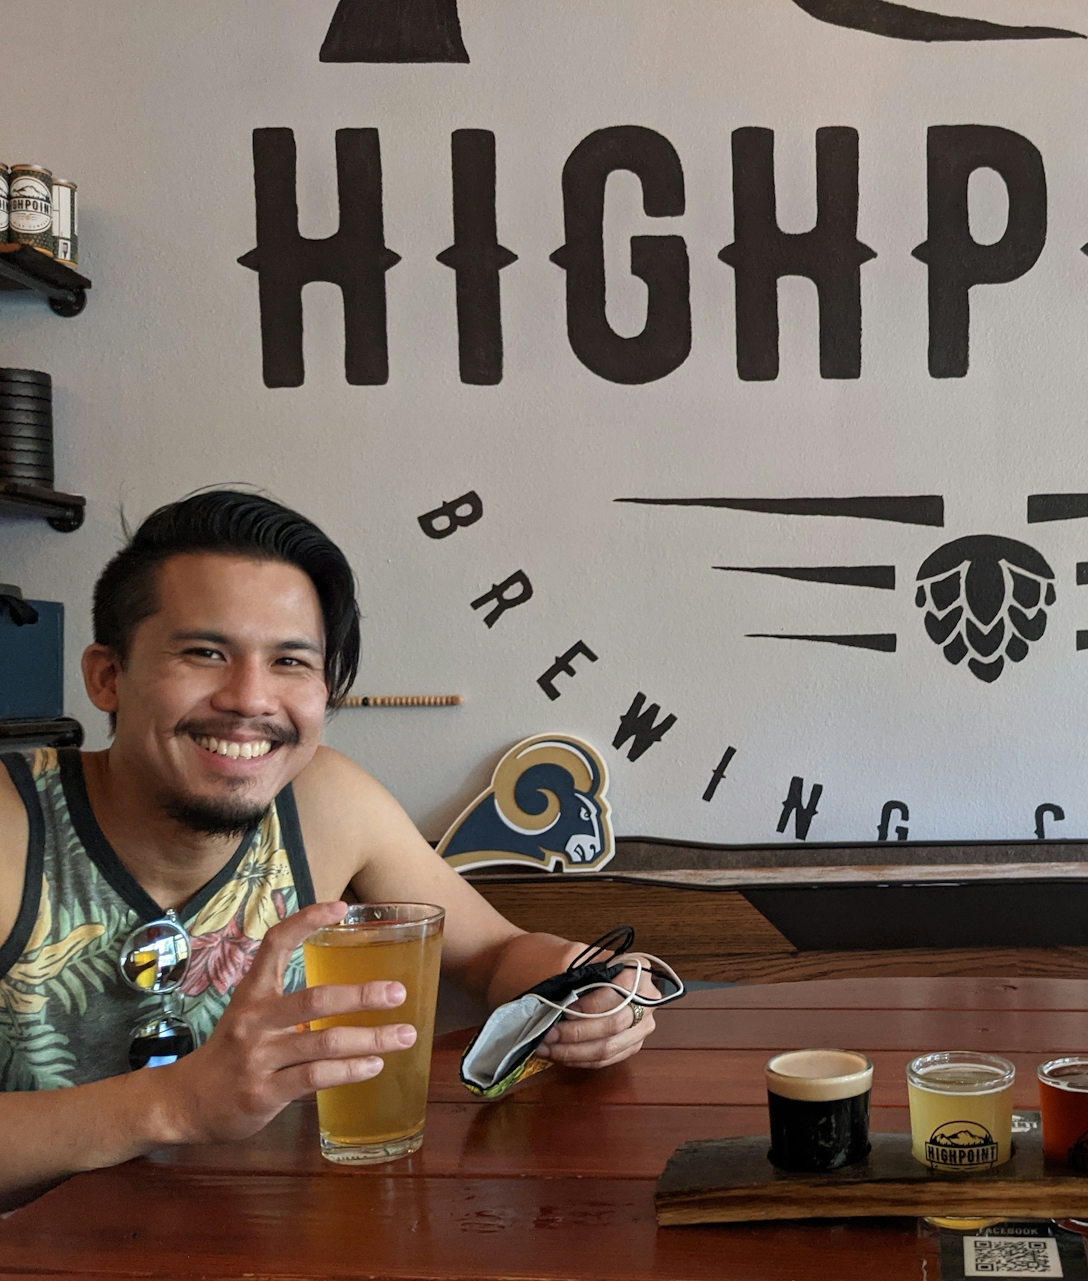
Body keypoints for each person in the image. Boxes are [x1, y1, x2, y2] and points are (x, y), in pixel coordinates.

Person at [0, 490, 656, 1208]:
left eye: (290, 661)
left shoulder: (322, 801)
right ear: (106, 676)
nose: (251, 698)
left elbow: (494, 953)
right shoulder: (13, 823)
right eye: (205, 652)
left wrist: (582, 984)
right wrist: (177, 1103)